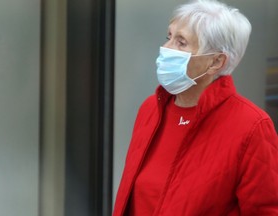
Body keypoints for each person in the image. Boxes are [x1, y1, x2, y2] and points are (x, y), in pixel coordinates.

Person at [113, 0, 278, 215]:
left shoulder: (252, 127)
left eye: (181, 42)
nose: (166, 48)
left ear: (216, 62)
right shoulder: (151, 108)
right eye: (169, 37)